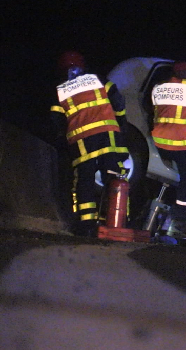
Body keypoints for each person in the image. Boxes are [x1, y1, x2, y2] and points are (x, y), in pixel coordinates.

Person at [50, 51, 129, 237]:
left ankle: (86, 224)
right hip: (108, 135)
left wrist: (65, 136)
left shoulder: (60, 91)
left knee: (84, 180)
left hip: (81, 140)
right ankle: (118, 220)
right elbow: (118, 102)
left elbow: (56, 120)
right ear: (83, 66)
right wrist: (121, 125)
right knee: (115, 176)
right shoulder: (99, 81)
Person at [151, 61, 186, 244]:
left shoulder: (159, 87)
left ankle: (164, 220)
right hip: (181, 142)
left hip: (160, 141)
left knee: (178, 179)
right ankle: (177, 224)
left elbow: (149, 107)